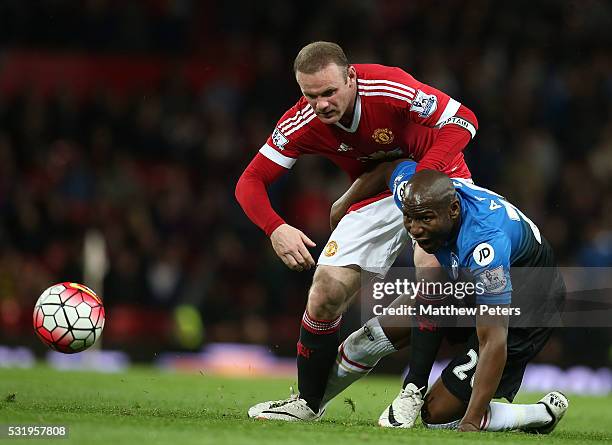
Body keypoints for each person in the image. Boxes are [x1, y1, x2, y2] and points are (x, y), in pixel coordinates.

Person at [235, 41, 478, 420]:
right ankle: (308, 403)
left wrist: (419, 178)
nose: (322, 104)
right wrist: (275, 228)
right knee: (326, 290)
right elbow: (250, 181)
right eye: (310, 95)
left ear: (351, 78)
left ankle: (413, 389)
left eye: (329, 92)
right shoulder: (302, 121)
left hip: (436, 176)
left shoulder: (388, 86)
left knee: (435, 280)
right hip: (379, 189)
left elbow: (463, 120)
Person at [317, 159, 568, 432]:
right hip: (466, 283)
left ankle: (541, 414)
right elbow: (390, 169)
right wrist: (342, 204)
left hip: (528, 302)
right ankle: (309, 403)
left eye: (425, 219)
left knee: (437, 415)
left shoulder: (486, 245)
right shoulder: (417, 196)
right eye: (410, 219)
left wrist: (471, 423)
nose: (415, 228)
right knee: (368, 339)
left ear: (454, 210)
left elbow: (494, 340)